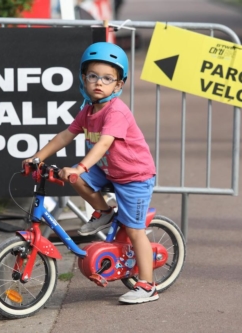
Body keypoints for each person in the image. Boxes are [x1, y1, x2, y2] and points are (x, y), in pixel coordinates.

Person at [22, 42, 158, 304]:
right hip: (109, 169)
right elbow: (65, 135)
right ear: (83, 78)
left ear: (118, 85)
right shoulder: (87, 110)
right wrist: (38, 157)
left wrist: (81, 166)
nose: (99, 83)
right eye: (93, 76)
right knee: (74, 179)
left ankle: (147, 285)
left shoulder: (116, 111)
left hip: (133, 175)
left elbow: (105, 142)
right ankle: (105, 212)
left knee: (134, 230)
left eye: (108, 78)